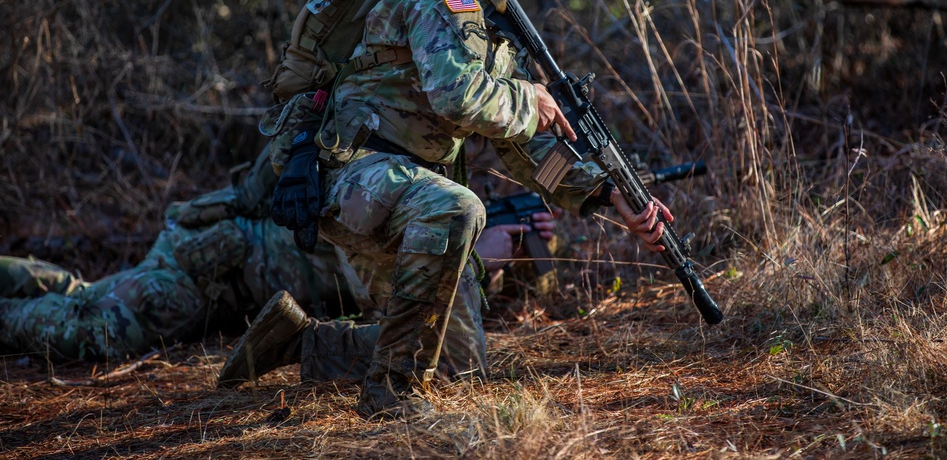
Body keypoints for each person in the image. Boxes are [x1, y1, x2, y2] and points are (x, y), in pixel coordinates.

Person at [250, 0, 674, 420]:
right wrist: (533, 100)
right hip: (354, 175)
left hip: (398, 191)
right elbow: (459, 97)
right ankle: (391, 395)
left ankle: (302, 344)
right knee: (458, 207)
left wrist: (604, 195)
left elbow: (518, 149)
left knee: (460, 365)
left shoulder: (492, 18)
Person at [0, 148, 554, 365]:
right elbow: (380, 283)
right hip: (212, 266)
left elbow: (447, 313)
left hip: (226, 274)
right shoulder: (384, 198)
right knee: (105, 332)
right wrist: (479, 258)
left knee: (89, 296)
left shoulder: (437, 215)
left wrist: (509, 263)